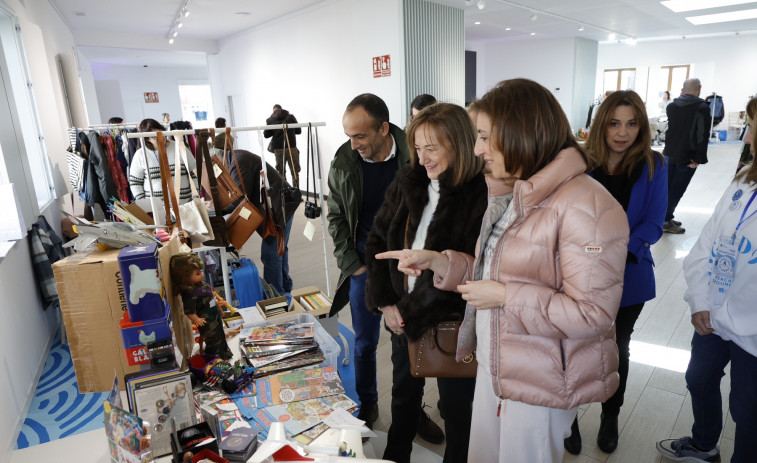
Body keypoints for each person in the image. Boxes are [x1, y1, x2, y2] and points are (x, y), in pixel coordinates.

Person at [377, 78, 629, 462]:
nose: (477, 150)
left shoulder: (588, 206)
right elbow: (493, 271)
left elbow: (592, 313)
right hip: (496, 366)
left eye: (483, 137)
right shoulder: (517, 192)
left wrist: (506, 296)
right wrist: (442, 262)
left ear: (518, 134)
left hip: (539, 382)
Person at [366, 103, 487, 463]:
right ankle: (395, 456)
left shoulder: (479, 194)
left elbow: (476, 269)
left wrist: (410, 310)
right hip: (401, 316)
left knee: (457, 408)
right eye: (418, 148)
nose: (423, 158)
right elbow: (377, 242)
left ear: (460, 143)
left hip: (452, 322)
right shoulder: (408, 182)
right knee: (403, 395)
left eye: (432, 148)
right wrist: (387, 304)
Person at [564, 90, 667, 455]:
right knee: (574, 348)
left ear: (641, 126)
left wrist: (615, 251)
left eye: (631, 123)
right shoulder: (579, 162)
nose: (622, 132)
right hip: (576, 275)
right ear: (600, 125)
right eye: (614, 123)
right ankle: (568, 418)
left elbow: (655, 223)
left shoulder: (655, 164)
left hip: (628, 276)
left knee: (616, 349)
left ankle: (611, 416)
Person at [655, 126, 757, 463]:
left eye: (753, 130)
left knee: (748, 412)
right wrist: (700, 300)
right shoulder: (744, 180)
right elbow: (707, 243)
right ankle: (703, 445)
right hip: (713, 313)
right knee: (698, 378)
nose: (745, 139)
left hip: (753, 331)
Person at [327, 93, 411, 431]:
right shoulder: (344, 162)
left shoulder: (413, 154)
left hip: (407, 265)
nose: (354, 143)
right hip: (364, 263)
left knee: (407, 340)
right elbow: (335, 216)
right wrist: (354, 265)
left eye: (360, 136)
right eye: (349, 135)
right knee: (364, 342)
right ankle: (368, 402)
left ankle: (411, 410)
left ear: (383, 129)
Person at [224, 149, 302, 298]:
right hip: (281, 204)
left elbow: (240, 198)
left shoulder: (238, 161)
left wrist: (218, 210)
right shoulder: (237, 158)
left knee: (271, 253)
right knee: (280, 249)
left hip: (280, 206)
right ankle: (285, 288)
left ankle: (275, 295)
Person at [663, 78, 712, 234]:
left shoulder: (672, 106)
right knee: (677, 189)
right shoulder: (701, 108)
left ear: (683, 89)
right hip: (687, 155)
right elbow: (702, 134)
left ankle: (665, 217)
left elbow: (671, 131)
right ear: (699, 88)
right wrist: (698, 158)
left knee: (667, 188)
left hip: (669, 153)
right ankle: (665, 221)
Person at [170, 252, 232, 360]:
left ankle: (224, 353)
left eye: (201, 272)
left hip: (214, 316)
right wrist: (196, 319)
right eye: (198, 274)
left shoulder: (200, 285)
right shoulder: (190, 293)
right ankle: (214, 358)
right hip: (206, 321)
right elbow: (189, 311)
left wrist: (216, 304)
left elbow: (206, 298)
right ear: (185, 278)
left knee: (221, 335)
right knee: (213, 340)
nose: (202, 275)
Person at [128, 118, 198, 209]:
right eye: (154, 136)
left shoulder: (179, 147)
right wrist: (145, 204)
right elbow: (135, 182)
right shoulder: (141, 155)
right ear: (147, 139)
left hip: (185, 205)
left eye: (161, 133)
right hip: (157, 209)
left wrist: (195, 196)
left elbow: (194, 172)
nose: (160, 138)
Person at [264, 104, 301, 187]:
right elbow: (299, 131)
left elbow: (266, 135)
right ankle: (296, 194)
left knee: (281, 174)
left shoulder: (270, 120)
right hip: (292, 148)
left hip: (278, 150)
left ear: (273, 111)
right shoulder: (291, 117)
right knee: (295, 172)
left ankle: (285, 194)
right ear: (281, 109)